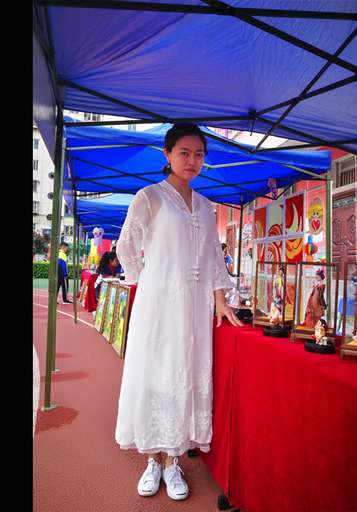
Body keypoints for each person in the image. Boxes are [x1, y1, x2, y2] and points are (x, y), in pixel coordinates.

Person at [114, 123, 243, 501]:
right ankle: (152, 461)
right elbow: (126, 246)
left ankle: (173, 462)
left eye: (199, 154)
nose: (192, 160)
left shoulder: (205, 206)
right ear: (167, 154)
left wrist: (220, 300)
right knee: (155, 374)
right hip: (158, 305)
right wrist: (148, 280)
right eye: (184, 152)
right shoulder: (149, 197)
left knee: (184, 375)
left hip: (194, 308)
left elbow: (214, 257)